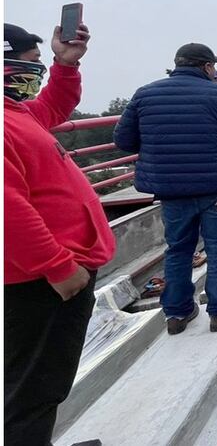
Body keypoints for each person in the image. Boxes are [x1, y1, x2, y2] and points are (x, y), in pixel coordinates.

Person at [4, 22, 116, 446]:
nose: (36, 75)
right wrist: (58, 268)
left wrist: (66, 64)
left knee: (43, 382)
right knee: (33, 388)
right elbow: (6, 207)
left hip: (52, 274)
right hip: (42, 281)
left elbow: (56, 104)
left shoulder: (16, 113)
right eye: (29, 65)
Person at [115, 43, 217, 335]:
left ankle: (177, 314)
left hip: (172, 189)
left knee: (178, 248)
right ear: (207, 67)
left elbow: (124, 141)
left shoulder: (145, 94)